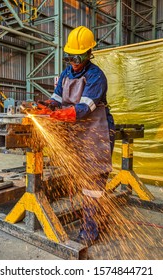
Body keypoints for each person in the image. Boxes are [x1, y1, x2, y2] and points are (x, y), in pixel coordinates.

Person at [36, 26, 115, 245]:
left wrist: (60, 114)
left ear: (90, 53)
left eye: (78, 56)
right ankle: (91, 218)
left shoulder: (96, 76)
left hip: (95, 132)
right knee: (79, 179)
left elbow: (83, 109)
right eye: (69, 56)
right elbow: (56, 98)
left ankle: (90, 231)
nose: (73, 61)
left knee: (93, 183)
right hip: (77, 131)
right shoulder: (65, 74)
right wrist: (47, 106)